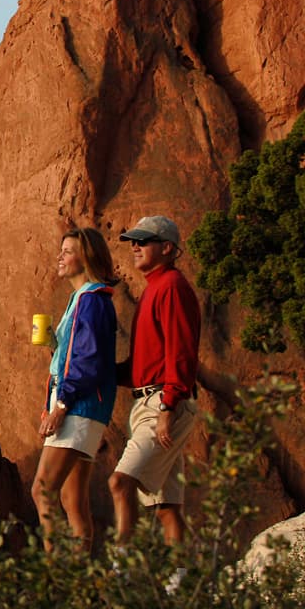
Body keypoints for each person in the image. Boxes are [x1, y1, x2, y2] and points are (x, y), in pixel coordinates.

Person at [108, 215, 201, 547]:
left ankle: (123, 575)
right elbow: (141, 367)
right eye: (134, 240)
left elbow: (182, 351)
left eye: (143, 241)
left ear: (167, 248)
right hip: (153, 399)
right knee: (166, 506)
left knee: (120, 482)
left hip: (163, 402)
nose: (135, 246)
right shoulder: (154, 289)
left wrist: (167, 407)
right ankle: (178, 588)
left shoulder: (172, 287)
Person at [33, 226, 118, 551]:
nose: (61, 256)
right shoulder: (81, 299)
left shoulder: (92, 301)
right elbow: (75, 356)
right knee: (72, 499)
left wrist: (61, 406)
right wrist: (55, 343)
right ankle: (80, 582)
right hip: (84, 405)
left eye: (68, 251)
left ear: (87, 256)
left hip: (78, 407)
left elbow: (90, 361)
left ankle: (58, 583)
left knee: (42, 492)